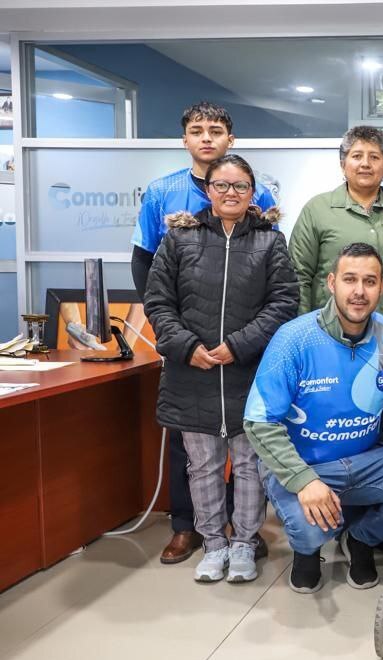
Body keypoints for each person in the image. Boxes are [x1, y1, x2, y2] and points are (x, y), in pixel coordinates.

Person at [131, 102, 276, 565]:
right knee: (190, 446)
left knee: (244, 450)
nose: (207, 137)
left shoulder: (264, 213)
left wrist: (239, 343)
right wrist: (177, 339)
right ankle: (187, 528)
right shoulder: (163, 194)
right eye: (197, 130)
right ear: (185, 138)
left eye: (216, 130)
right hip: (187, 349)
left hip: (240, 353)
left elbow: (273, 286)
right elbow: (146, 268)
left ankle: (242, 532)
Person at [144, 154, 298, 583]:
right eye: (222, 186)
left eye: (240, 186)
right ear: (208, 190)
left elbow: (284, 301)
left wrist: (239, 345)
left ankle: (245, 544)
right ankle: (212, 544)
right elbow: (158, 302)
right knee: (203, 465)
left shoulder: (270, 241)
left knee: (250, 464)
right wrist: (186, 346)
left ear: (253, 194)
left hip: (250, 373)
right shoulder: (178, 240)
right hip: (191, 373)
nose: (231, 193)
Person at [244, 243, 383, 593]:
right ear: (331, 283)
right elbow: (259, 421)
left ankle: (360, 539)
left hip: (368, 460)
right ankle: (308, 552)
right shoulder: (293, 340)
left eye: (370, 281)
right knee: (309, 526)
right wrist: (303, 480)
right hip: (306, 465)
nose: (359, 291)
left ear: (381, 287)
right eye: (350, 280)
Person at [289, 125, 383, 387]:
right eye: (357, 156)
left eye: (374, 157)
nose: (365, 164)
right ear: (343, 163)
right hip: (329, 340)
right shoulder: (317, 210)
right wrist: (303, 335)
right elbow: (298, 276)